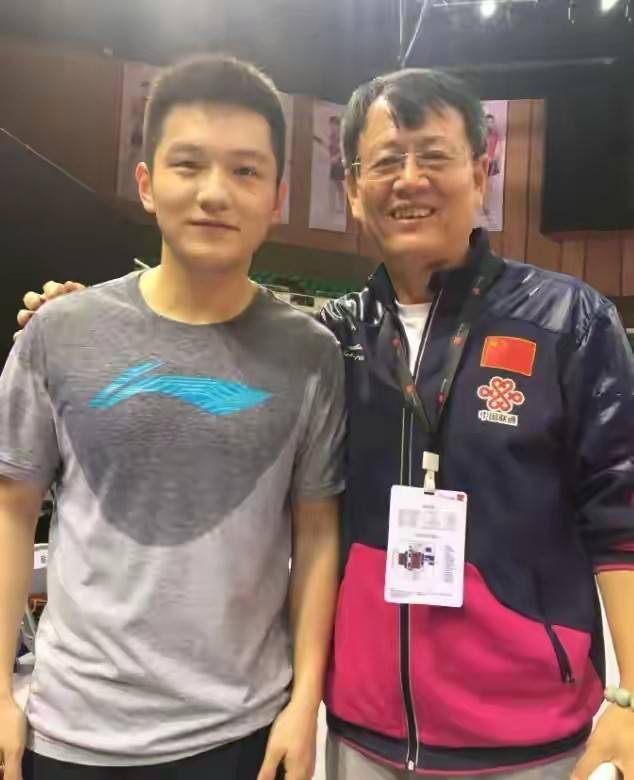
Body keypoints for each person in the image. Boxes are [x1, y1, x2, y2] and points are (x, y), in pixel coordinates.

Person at [15, 69, 634, 780]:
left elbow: (620, 515)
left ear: (480, 170)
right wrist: (81, 322)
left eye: (433, 156)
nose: (410, 179)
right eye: (386, 161)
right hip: (361, 736)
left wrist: (630, 698)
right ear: (353, 189)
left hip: (532, 739)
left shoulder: (568, 322)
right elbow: (202, 347)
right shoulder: (325, 342)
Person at [1, 54, 346, 780]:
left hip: (245, 735)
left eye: (245, 171)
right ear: (147, 183)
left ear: (277, 197)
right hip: (71, 733)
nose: (214, 192)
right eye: (188, 165)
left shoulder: (311, 355)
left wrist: (305, 700)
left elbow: (318, 535)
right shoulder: (60, 331)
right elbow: (11, 509)